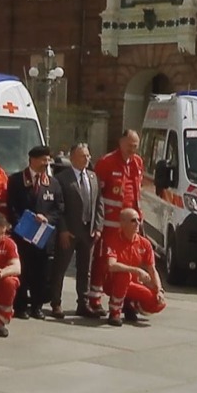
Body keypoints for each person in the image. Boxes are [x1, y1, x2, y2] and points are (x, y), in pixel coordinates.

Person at [88, 130, 145, 313]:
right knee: (102, 261)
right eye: (129, 145)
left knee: (131, 261)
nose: (132, 149)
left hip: (131, 224)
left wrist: (138, 219)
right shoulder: (106, 162)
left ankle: (127, 300)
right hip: (110, 223)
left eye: (135, 146)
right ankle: (94, 299)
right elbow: (96, 194)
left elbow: (136, 192)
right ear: (120, 142)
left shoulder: (137, 163)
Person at [7, 145, 63, 320]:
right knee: (24, 270)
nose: (45, 163)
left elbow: (59, 208)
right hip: (22, 235)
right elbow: (12, 207)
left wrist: (47, 218)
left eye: (48, 160)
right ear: (32, 159)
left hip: (43, 237)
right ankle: (20, 306)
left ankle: (37, 306)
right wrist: (21, 225)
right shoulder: (16, 180)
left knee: (41, 273)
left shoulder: (53, 184)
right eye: (42, 160)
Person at [50, 142, 103, 319]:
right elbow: (58, 207)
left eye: (88, 156)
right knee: (60, 267)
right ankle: (56, 303)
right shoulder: (62, 179)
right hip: (70, 231)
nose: (87, 159)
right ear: (72, 158)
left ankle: (83, 303)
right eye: (82, 156)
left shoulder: (93, 177)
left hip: (88, 231)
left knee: (84, 269)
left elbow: (99, 204)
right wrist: (63, 230)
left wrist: (98, 227)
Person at [104, 208, 166, 326]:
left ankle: (132, 304)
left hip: (132, 284)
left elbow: (152, 269)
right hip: (112, 283)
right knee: (124, 275)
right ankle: (115, 312)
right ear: (123, 223)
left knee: (158, 303)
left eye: (139, 220)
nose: (138, 223)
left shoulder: (145, 243)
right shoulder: (114, 240)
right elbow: (111, 265)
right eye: (133, 220)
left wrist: (159, 290)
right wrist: (136, 270)